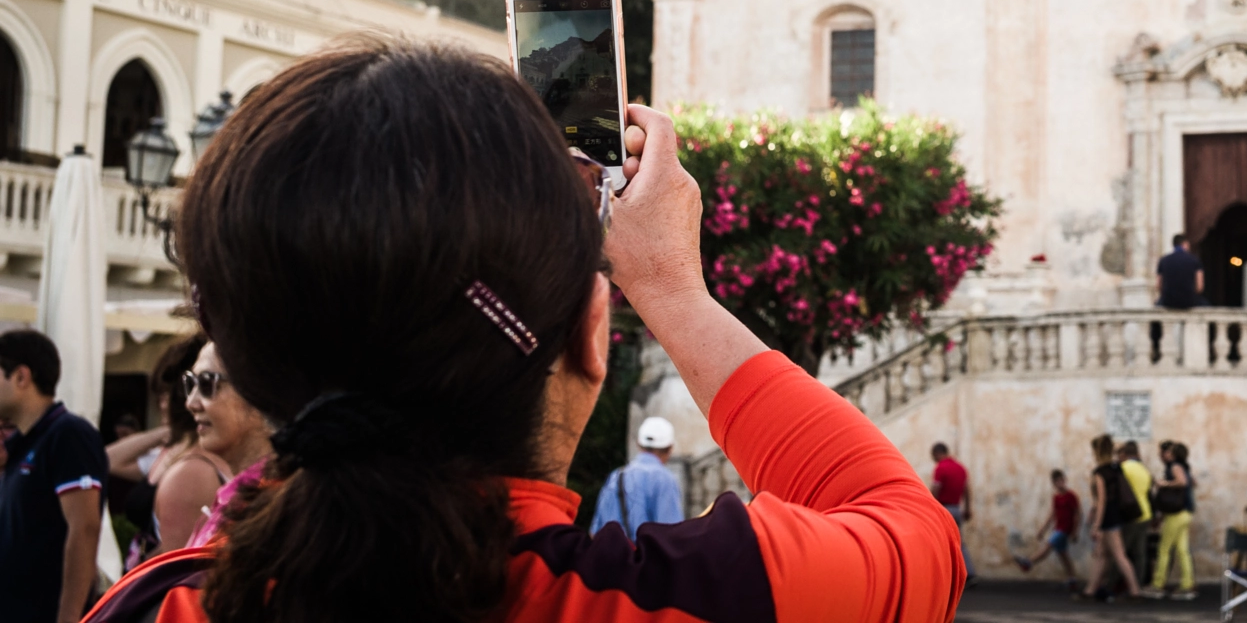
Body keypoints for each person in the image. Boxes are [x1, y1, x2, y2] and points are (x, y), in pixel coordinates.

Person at [84, 39, 964, 623]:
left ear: (249, 361)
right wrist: (672, 289)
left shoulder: (155, 605)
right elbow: (910, 532)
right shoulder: (688, 596)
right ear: (590, 334)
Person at [0, 328, 106, 623]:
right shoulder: (22, 443)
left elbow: (84, 528)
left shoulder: (68, 433)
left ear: (21, 377)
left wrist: (69, 618)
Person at [100, 334, 230, 566]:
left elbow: (180, 565)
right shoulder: (173, 453)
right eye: (191, 386)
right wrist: (163, 433)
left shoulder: (192, 470)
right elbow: (107, 459)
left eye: (164, 395)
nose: (160, 404)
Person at [181, 342, 274, 550]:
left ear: (257, 393)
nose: (191, 403)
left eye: (206, 384)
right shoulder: (240, 494)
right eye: (190, 383)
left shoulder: (276, 501)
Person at [591, 416, 685, 538]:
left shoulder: (616, 476)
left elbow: (595, 531)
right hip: (646, 556)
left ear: (638, 444)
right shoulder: (665, 479)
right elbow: (671, 533)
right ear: (670, 448)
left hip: (612, 556)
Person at [1086, 433, 1142, 602]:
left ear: (1097, 452)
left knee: (1119, 555)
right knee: (1103, 555)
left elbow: (1101, 501)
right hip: (1116, 514)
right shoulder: (1116, 468)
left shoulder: (1100, 472)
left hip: (1109, 518)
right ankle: (1089, 591)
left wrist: (1096, 525)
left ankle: (1135, 592)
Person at [1146, 441, 1196, 601]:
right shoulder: (1184, 466)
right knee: (1182, 550)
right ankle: (1187, 585)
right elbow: (1192, 483)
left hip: (1176, 514)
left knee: (1164, 549)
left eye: (1165, 452)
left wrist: (1164, 483)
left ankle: (1157, 585)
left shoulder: (1174, 466)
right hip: (1185, 512)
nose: (1162, 455)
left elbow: (1183, 482)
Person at [1014, 468, 1080, 582]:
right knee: (1063, 554)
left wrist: (1075, 532)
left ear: (1065, 480)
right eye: (1057, 481)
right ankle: (1072, 578)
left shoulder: (1071, 496)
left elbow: (1077, 514)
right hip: (1058, 528)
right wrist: (1043, 529)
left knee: (1048, 545)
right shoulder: (1056, 497)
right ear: (1053, 484)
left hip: (1065, 529)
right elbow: (1052, 515)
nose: (1060, 483)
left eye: (1061, 480)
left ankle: (1029, 561)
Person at [929, 441, 975, 584]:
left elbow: (936, 489)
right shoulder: (960, 468)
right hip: (957, 509)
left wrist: (930, 506)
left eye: (933, 456)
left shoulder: (941, 468)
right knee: (958, 542)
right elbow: (966, 490)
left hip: (944, 509)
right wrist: (967, 508)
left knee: (939, 541)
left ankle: (942, 576)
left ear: (937, 453)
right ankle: (969, 573)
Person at [1117, 440, 1153, 587]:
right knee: (1140, 553)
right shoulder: (1143, 469)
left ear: (1124, 454)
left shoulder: (1123, 468)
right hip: (1145, 513)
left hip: (1130, 514)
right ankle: (1138, 583)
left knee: (1120, 553)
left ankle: (1113, 584)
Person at [1155, 234, 1203, 310]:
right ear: (1185, 244)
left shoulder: (1163, 260)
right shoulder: (1194, 260)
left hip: (1168, 302)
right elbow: (1199, 287)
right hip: (1189, 302)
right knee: (1205, 303)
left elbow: (1158, 285)